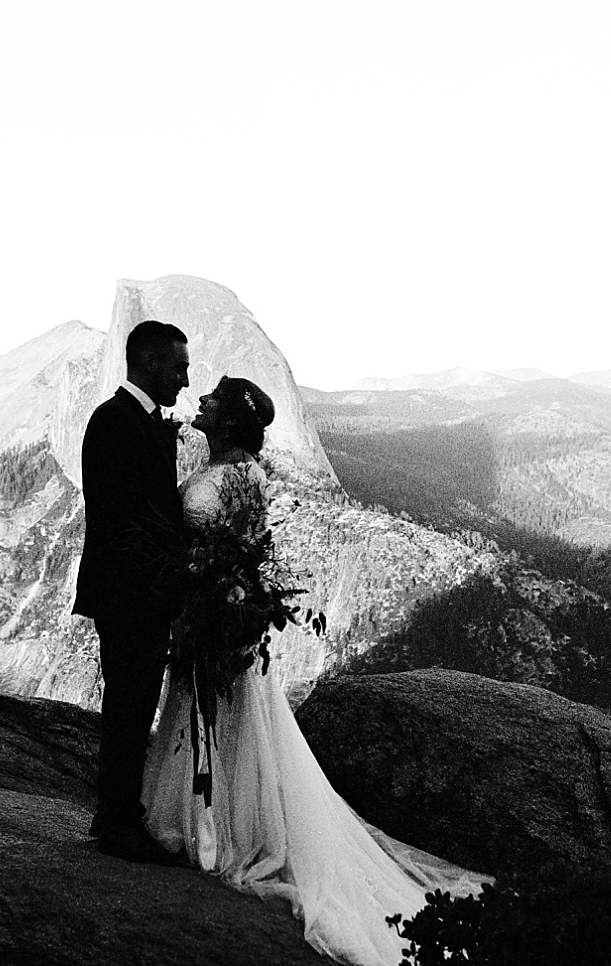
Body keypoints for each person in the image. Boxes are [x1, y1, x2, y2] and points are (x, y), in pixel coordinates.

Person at [141, 375, 492, 966]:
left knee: (220, 719)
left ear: (227, 420)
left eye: (212, 400)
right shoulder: (243, 474)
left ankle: (219, 832)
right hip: (213, 612)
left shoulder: (235, 477)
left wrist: (217, 598)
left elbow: (230, 550)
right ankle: (217, 824)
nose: (199, 401)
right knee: (222, 722)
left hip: (217, 616)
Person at [73, 319, 192, 866]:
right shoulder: (112, 422)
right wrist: (162, 584)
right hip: (128, 597)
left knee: (134, 703)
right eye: (179, 367)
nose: (185, 381)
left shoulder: (137, 422)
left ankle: (116, 814)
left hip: (141, 595)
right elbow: (118, 521)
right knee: (127, 704)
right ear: (149, 363)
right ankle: (118, 821)